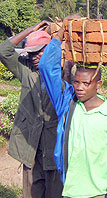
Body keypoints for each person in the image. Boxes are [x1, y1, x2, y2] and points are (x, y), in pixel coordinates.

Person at [38, 16, 107, 198]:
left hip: (99, 194)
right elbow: (46, 67)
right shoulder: (68, 105)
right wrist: (62, 31)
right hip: (68, 193)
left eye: (86, 83)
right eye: (76, 82)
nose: (79, 87)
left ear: (98, 84)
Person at [0, 22, 64, 198]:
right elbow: (3, 51)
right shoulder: (26, 70)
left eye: (39, 52)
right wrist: (30, 30)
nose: (35, 57)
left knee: (55, 193)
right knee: (31, 192)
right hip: (32, 147)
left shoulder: (62, 73)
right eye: (31, 53)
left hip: (54, 147)